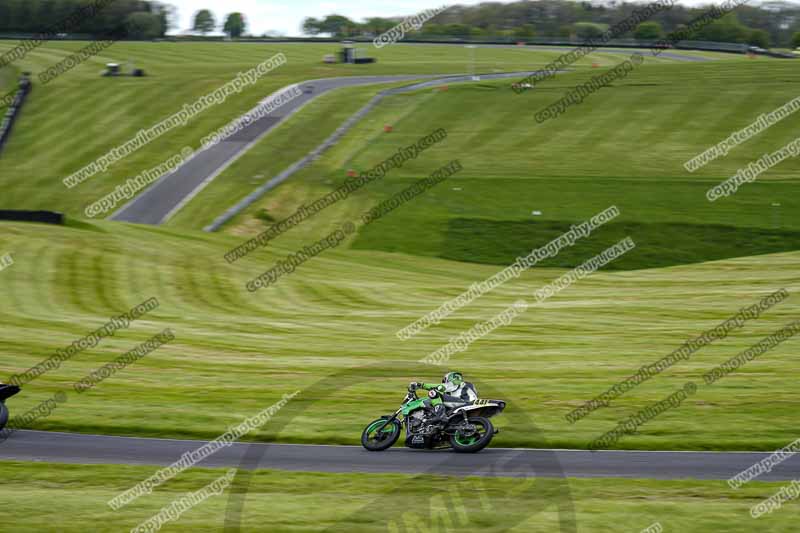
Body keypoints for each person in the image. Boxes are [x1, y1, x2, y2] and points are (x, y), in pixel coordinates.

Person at [411, 371, 478, 427]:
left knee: (433, 392)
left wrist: (421, 385)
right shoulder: (466, 385)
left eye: (444, 381)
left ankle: (439, 415)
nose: (444, 383)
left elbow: (440, 387)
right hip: (468, 404)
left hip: (465, 402)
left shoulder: (455, 383)